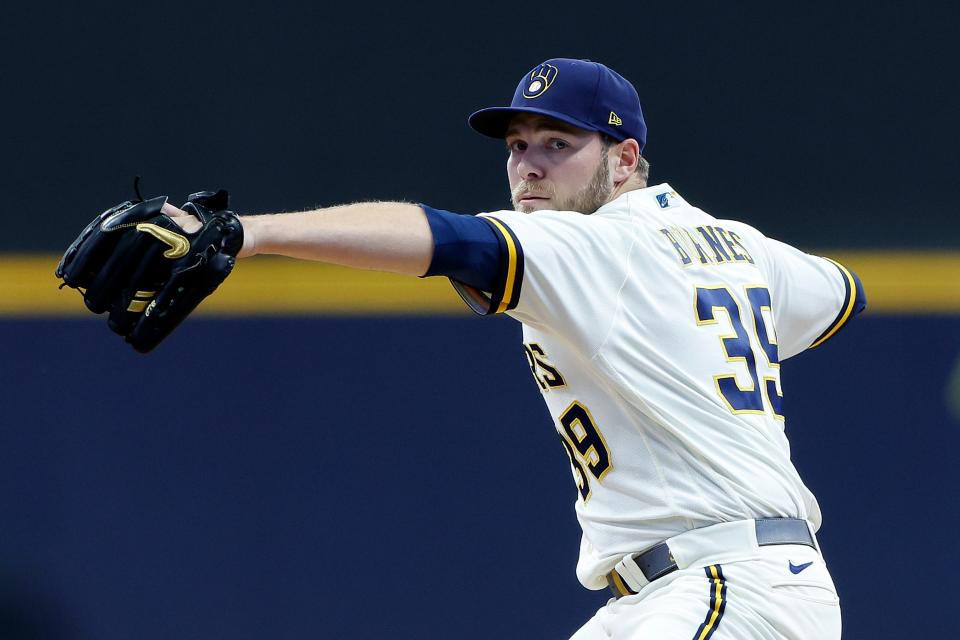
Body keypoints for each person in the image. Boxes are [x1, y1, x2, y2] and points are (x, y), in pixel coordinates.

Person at [165, 57, 865, 639]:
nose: (529, 166)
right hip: (689, 593)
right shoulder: (740, 245)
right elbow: (845, 293)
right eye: (517, 145)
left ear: (625, 160)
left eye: (558, 144)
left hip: (725, 590)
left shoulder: (595, 243)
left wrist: (250, 234)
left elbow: (445, 239)